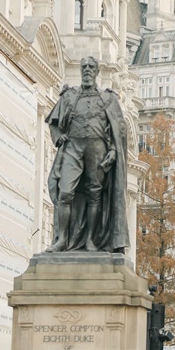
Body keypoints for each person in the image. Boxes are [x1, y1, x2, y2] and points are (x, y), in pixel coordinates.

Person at [45, 55, 130, 253]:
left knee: (95, 193)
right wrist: (58, 138)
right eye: (84, 66)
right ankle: (62, 240)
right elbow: (54, 122)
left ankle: (92, 240)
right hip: (73, 147)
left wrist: (113, 151)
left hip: (97, 148)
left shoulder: (108, 98)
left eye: (91, 67)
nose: (87, 70)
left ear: (97, 72)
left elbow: (119, 130)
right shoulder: (69, 96)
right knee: (65, 192)